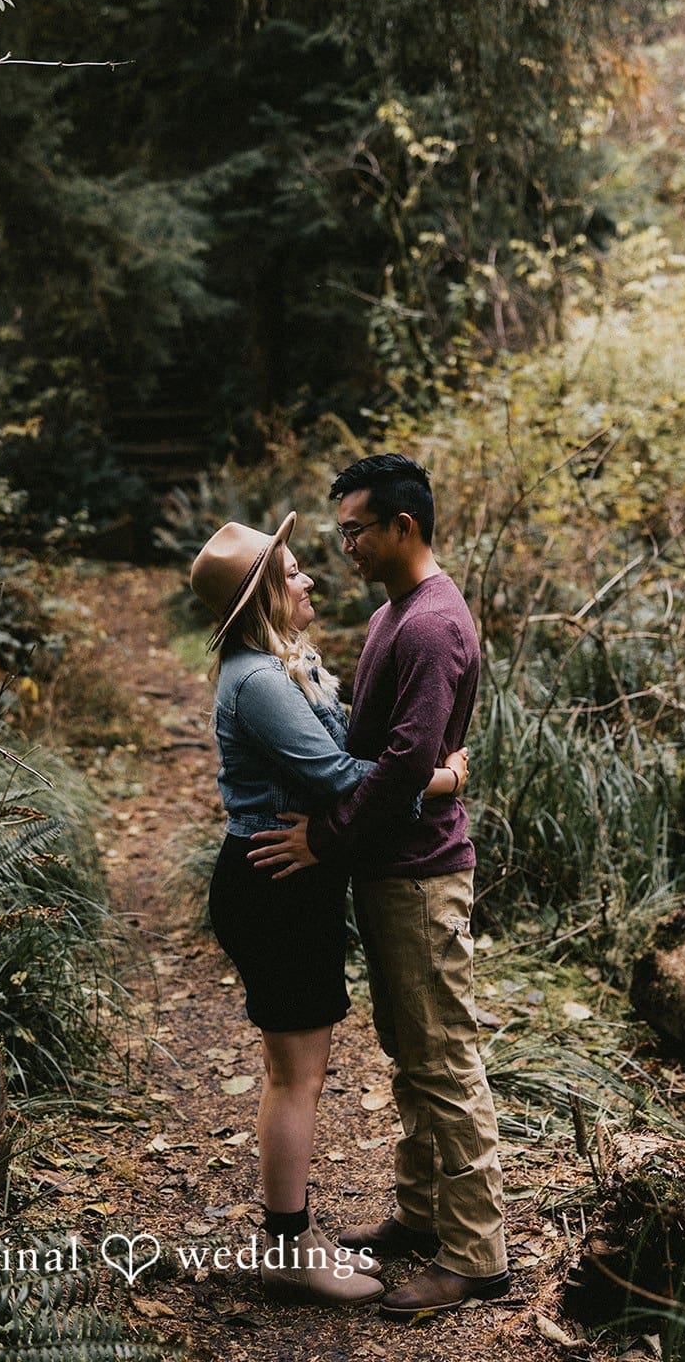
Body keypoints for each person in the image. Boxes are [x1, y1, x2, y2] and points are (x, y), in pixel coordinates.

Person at [248, 455, 510, 1319]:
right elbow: (389, 749)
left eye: (356, 530)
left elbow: (404, 766)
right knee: (409, 1048)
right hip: (391, 870)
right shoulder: (396, 611)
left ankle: (476, 1255)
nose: (345, 546)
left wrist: (324, 840)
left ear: (404, 526)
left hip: (422, 875)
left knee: (444, 1060)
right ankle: (423, 1212)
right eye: (341, 531)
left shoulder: (433, 624)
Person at [189, 511, 467, 1307]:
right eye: (293, 573)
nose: (309, 579)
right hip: (273, 882)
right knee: (295, 1077)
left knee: (298, 1072)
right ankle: (286, 1250)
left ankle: (295, 1236)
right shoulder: (260, 682)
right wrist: (445, 779)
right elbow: (344, 776)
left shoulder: (285, 667)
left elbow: (346, 735)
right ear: (261, 599)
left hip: (291, 880)